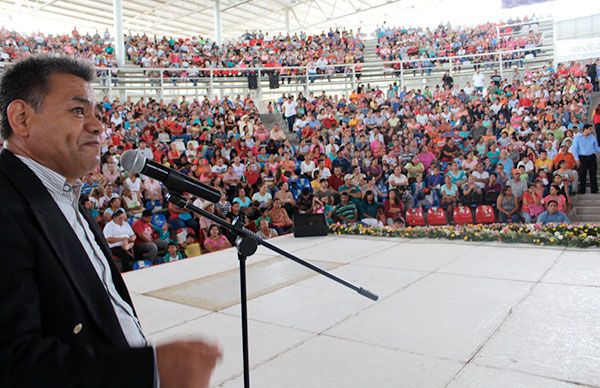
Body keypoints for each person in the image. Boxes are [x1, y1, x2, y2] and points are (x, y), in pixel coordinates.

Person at [0, 56, 220, 387]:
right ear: (21, 118)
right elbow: (13, 361)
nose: (97, 125)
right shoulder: (6, 206)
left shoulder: (65, 195)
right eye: (77, 111)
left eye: (95, 112)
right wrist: (149, 370)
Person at [570, 124, 600, 194]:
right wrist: (577, 159)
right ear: (585, 129)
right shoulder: (577, 138)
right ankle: (582, 190)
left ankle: (594, 190)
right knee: (582, 174)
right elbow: (574, 149)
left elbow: (596, 148)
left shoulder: (592, 137)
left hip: (592, 157)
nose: (591, 130)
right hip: (582, 157)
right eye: (590, 129)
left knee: (593, 173)